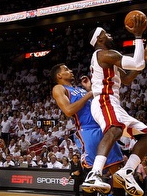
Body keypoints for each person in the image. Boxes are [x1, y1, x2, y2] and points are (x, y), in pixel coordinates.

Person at [83, 14, 147, 195]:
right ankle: (94, 173)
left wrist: (144, 60)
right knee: (115, 130)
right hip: (104, 100)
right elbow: (137, 63)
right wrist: (138, 36)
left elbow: (126, 79)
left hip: (113, 103)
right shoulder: (104, 54)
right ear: (99, 39)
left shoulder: (109, 59)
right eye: (105, 33)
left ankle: (127, 172)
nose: (109, 35)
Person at [50, 64, 125, 195]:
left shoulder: (79, 89)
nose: (71, 70)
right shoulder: (59, 88)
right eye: (66, 70)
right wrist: (89, 94)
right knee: (91, 171)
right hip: (87, 130)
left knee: (117, 169)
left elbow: (96, 102)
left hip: (103, 127)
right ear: (59, 75)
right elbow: (68, 111)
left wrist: (88, 88)